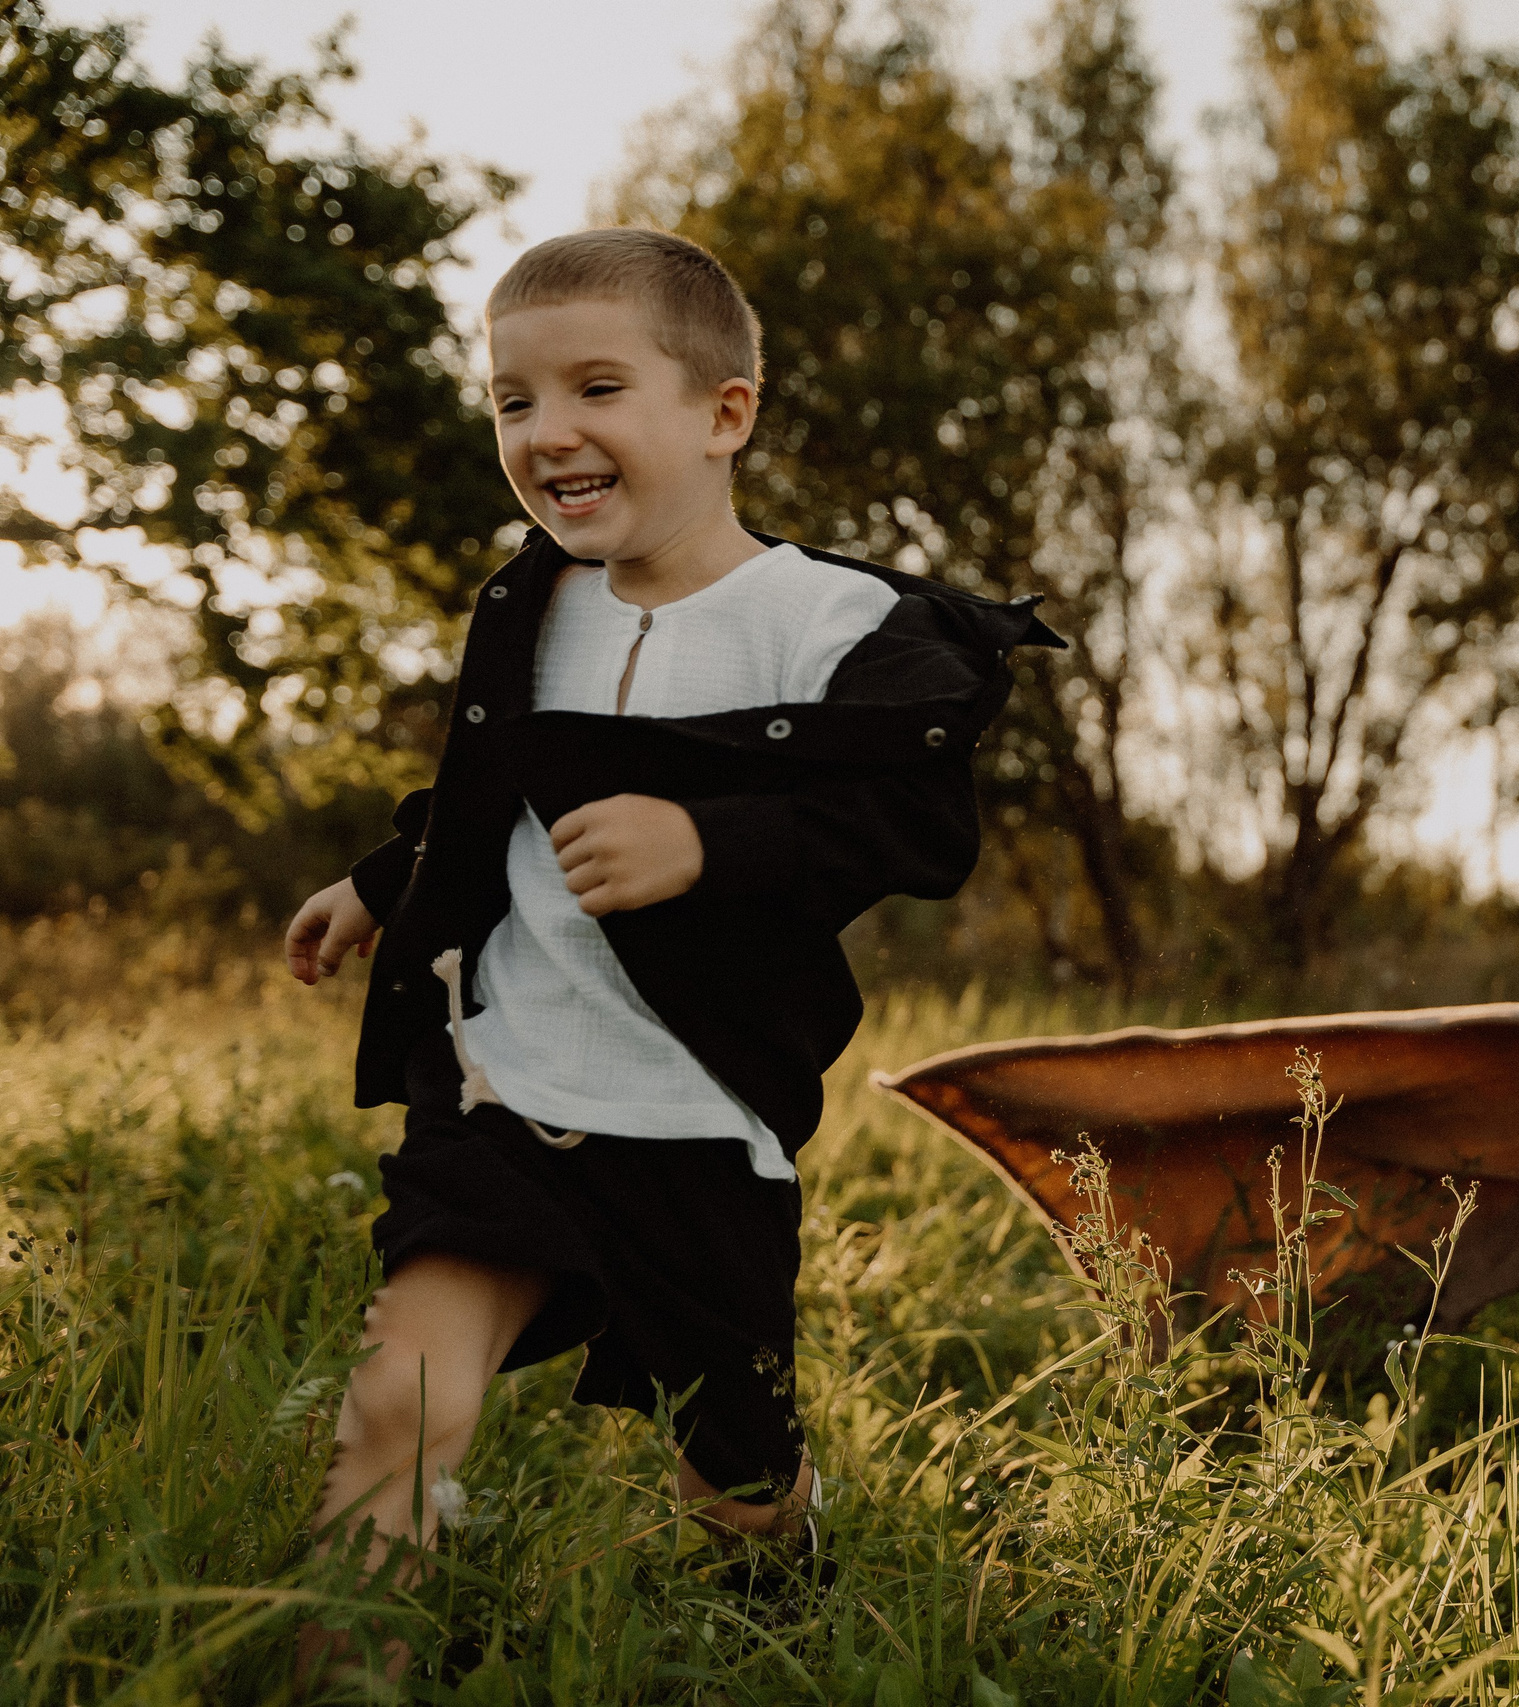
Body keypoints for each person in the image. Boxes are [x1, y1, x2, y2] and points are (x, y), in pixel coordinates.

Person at [281, 228, 1058, 1663]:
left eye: (593, 387)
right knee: (406, 1386)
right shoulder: (529, 603)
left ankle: (773, 1622)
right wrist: (385, 881)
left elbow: (911, 817)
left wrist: (713, 846)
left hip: (697, 1124)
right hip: (503, 1084)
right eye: (514, 401)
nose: (547, 431)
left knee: (734, 1470)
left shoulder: (823, 622)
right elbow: (483, 789)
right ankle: (348, 1666)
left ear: (723, 414)